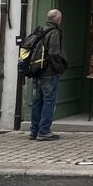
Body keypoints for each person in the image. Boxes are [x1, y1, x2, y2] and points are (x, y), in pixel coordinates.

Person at [30, 9, 66, 141]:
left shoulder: (40, 30)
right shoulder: (54, 32)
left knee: (37, 101)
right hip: (49, 72)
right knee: (49, 101)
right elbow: (54, 53)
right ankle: (44, 131)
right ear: (57, 19)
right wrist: (59, 68)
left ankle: (34, 130)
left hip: (37, 71)